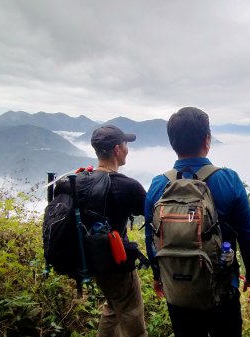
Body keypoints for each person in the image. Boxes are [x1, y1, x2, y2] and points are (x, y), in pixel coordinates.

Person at [144, 107, 250, 337]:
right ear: (207, 139)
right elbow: (249, 236)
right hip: (222, 292)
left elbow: (152, 239)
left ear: (172, 143)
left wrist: (158, 277)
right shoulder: (229, 180)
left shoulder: (158, 186)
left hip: (178, 292)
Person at [89, 125, 148, 337]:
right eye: (125, 145)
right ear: (117, 150)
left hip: (93, 261)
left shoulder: (83, 181)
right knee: (132, 317)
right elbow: (152, 212)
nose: (127, 150)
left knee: (114, 306)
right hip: (117, 264)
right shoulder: (127, 186)